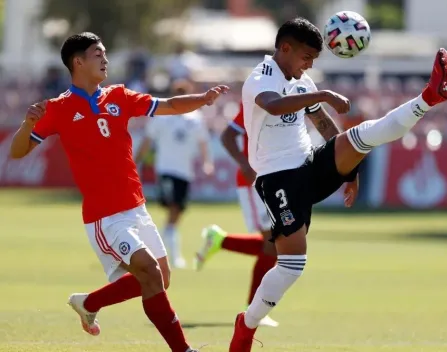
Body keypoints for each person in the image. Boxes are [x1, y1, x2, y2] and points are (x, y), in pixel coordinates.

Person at [228, 18, 447, 351]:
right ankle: (245, 325)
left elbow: (323, 124)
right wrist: (323, 93)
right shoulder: (260, 78)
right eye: (306, 57)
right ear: (285, 48)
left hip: (310, 165)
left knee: (364, 136)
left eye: (313, 62)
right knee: (292, 267)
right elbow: (273, 105)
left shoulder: (303, 82)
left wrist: (350, 171)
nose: (309, 65)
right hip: (277, 179)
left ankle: (427, 97)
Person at [9, 32, 228, 352]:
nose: (105, 59)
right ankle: (184, 350)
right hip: (105, 216)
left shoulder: (120, 96)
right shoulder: (57, 109)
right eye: (98, 54)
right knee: (150, 273)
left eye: (105, 53)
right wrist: (28, 124)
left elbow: (167, 105)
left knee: (161, 279)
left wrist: (203, 98)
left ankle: (88, 302)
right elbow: (17, 152)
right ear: (78, 62)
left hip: (136, 208)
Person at [195, 102, 279, 327]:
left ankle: (220, 240)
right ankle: (253, 309)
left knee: (277, 244)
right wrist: (245, 165)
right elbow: (227, 136)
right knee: (273, 244)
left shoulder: (285, 97)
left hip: (275, 180)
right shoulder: (257, 100)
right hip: (254, 181)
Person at [136, 79, 214, 269]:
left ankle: (158, 251)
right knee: (172, 210)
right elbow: (147, 140)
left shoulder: (194, 119)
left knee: (177, 212)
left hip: (184, 173)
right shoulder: (161, 117)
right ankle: (172, 256)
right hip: (166, 170)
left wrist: (207, 162)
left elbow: (203, 142)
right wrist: (135, 162)